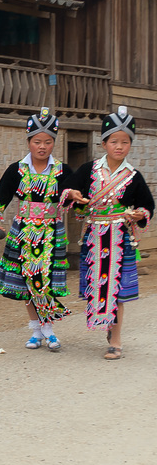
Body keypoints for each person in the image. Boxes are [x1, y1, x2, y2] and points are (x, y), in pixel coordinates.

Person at [63, 106, 154, 359]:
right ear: (104, 143)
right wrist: (72, 193)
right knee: (97, 287)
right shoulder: (89, 170)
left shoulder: (133, 176)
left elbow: (148, 204)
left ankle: (116, 339)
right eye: (114, 141)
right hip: (94, 238)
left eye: (125, 142)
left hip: (120, 240)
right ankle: (107, 327)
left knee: (119, 291)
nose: (119, 146)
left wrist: (140, 213)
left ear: (130, 145)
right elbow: (68, 187)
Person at [0, 107, 74, 351]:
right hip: (23, 232)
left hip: (51, 233)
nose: (42, 146)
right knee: (29, 281)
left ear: (54, 143)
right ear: (28, 142)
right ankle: (38, 330)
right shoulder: (17, 170)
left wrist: (76, 197)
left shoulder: (62, 171)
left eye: (47, 142)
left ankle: (47, 329)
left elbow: (73, 194)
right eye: (37, 141)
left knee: (42, 281)